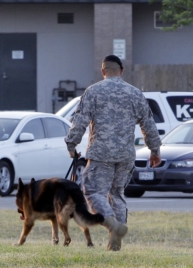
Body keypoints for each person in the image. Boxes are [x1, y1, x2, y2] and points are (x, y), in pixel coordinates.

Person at [64, 55, 162, 251]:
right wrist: (155, 150)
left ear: (103, 71)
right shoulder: (135, 93)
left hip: (101, 154)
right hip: (126, 155)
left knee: (93, 192)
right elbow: (149, 124)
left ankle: (112, 225)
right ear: (121, 71)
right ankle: (116, 241)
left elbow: (80, 119)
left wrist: (72, 143)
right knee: (117, 194)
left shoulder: (93, 91)